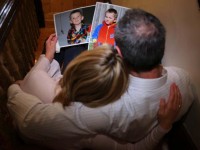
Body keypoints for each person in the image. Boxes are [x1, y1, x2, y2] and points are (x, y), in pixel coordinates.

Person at [7, 8, 194, 149]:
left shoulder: (99, 108)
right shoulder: (183, 81)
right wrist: (163, 127)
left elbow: (32, 123)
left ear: (118, 52)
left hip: (61, 117)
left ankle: (44, 64)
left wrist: (14, 89)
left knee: (35, 78)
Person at [19, 34, 129, 106]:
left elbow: (17, 86)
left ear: (73, 68)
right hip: (59, 85)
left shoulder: (36, 79)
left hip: (48, 83)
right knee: (73, 46)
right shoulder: (100, 112)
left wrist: (48, 55)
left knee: (57, 41)